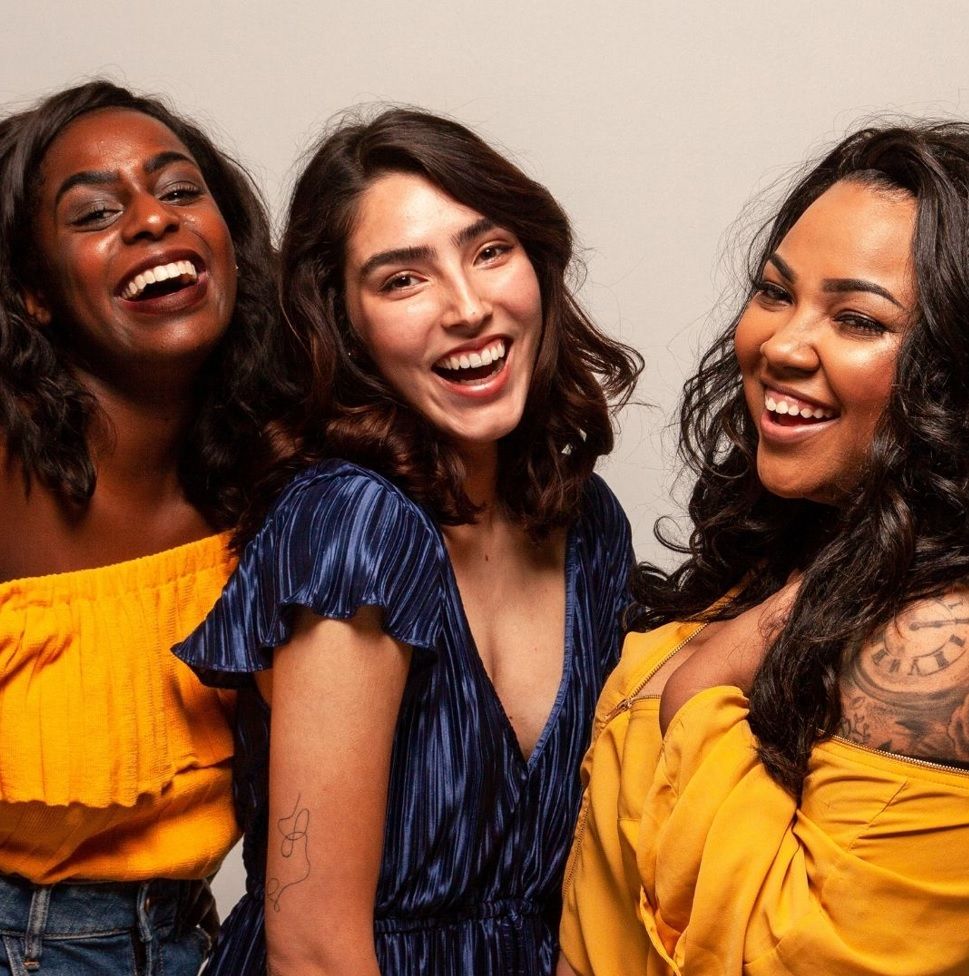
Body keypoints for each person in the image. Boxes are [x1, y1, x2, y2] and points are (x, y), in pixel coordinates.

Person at [174, 107, 642, 975]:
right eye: (402, 280)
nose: (467, 308)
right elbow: (314, 950)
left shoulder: (584, 522)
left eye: (489, 250)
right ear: (341, 322)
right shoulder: (352, 524)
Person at [558, 122, 969, 976]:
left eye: (857, 319)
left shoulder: (938, 647)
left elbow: (791, 958)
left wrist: (702, 680)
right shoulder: (799, 545)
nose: (779, 345)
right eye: (775, 293)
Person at [0, 81, 293, 975]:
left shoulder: (276, 466)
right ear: (36, 294)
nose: (151, 221)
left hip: (192, 943)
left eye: (177, 191)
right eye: (94, 212)